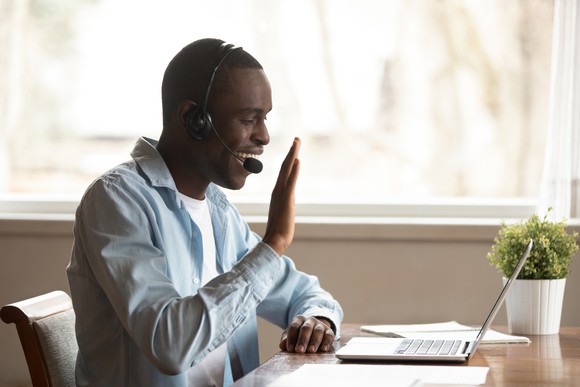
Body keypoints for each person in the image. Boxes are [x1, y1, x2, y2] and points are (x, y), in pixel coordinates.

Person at [66, 38, 343, 386]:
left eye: (265, 119)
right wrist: (272, 244)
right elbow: (169, 345)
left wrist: (317, 320)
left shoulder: (219, 212)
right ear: (194, 119)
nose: (264, 136)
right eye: (248, 119)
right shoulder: (116, 201)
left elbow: (306, 294)